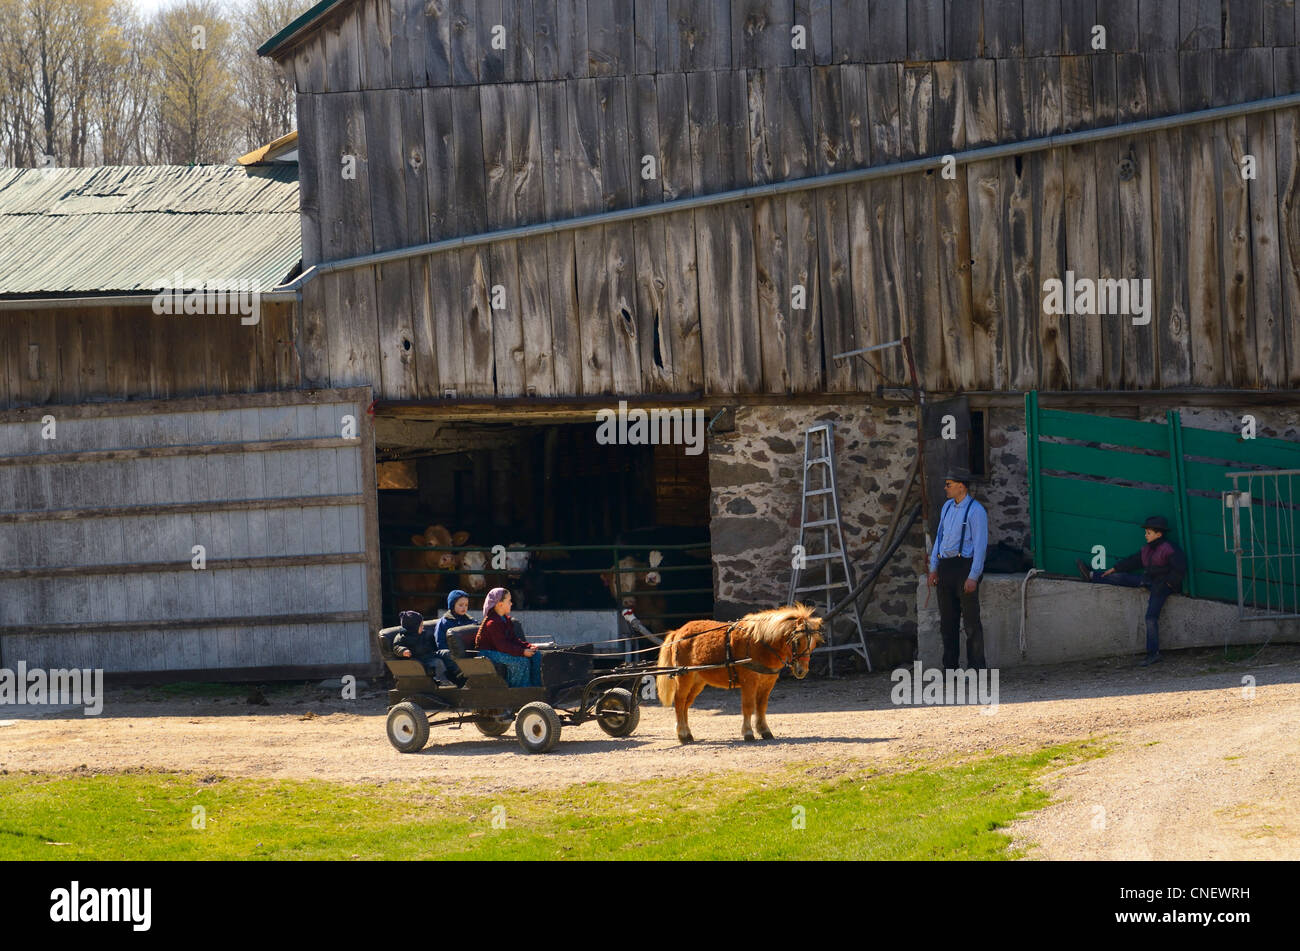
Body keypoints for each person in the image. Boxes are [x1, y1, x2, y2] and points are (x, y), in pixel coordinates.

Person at [1076, 515, 1186, 667]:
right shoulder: (1147, 549)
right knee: (1120, 577)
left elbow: (1179, 570)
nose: (1145, 535)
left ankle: (1153, 654)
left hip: (1161, 588)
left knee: (1150, 617)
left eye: (1148, 532)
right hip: (1149, 581)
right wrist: (1115, 568)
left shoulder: (1169, 548)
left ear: (1158, 534)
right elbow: (1133, 561)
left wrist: (1167, 585)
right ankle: (1091, 575)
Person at [926, 468, 989, 670]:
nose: (945, 488)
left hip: (965, 566)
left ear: (961, 486)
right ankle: (950, 668)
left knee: (971, 622)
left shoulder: (976, 510)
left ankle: (976, 668)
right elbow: (940, 539)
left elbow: (980, 545)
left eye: (949, 484)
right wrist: (933, 567)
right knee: (947, 623)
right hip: (946, 566)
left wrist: (973, 576)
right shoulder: (946, 507)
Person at [474, 587, 543, 688]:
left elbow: (513, 640)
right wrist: (522, 652)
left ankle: (535, 687)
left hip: (500, 650)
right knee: (520, 661)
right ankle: (518, 689)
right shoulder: (492, 623)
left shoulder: (506, 620)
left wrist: (528, 646)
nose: (511, 603)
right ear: (500, 604)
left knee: (536, 655)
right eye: (509, 601)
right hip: (488, 653)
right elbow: (501, 646)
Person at [430, 589, 475, 686]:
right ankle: (460, 677)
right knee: (448, 654)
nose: (464, 608)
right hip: (449, 653)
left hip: (466, 651)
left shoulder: (470, 621)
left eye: (466, 605)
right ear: (452, 605)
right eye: (460, 605)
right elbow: (440, 642)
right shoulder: (444, 622)